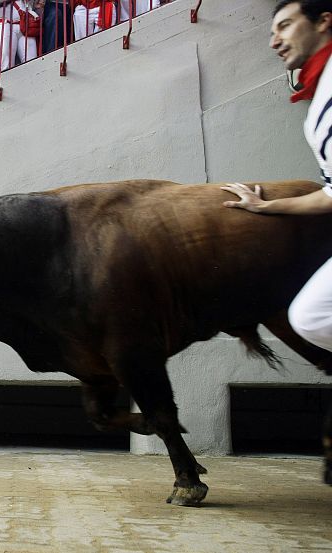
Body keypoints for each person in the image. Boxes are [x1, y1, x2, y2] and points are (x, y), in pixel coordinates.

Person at [222, 0, 332, 486]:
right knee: (311, 316)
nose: (274, 39)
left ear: (324, 20)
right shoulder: (320, 87)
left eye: (285, 25)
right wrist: (266, 208)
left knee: (311, 315)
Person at [0, 0, 43, 71]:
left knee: (32, 62)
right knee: (5, 63)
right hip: (5, 23)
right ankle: (6, 82)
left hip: (25, 23)